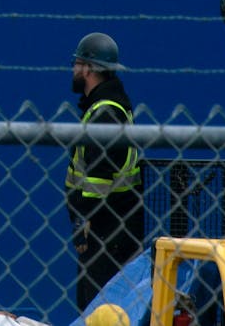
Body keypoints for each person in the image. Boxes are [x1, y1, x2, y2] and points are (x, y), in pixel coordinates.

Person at [65, 31, 143, 311]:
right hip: (111, 230)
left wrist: (82, 225)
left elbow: (98, 180)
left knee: (98, 309)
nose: (73, 69)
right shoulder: (105, 107)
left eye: (76, 63)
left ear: (88, 68)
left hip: (106, 233)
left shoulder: (105, 114)